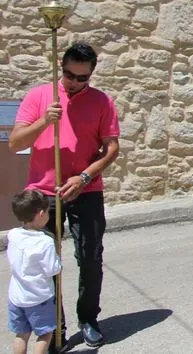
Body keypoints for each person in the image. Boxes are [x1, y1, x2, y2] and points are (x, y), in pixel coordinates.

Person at [9, 41, 120, 349]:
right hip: (42, 195)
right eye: (69, 75)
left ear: (91, 74)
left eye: (82, 78)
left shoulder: (102, 102)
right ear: (62, 68)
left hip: (86, 189)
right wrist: (45, 121)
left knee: (90, 258)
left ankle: (89, 319)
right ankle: (53, 327)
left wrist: (84, 176)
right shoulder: (39, 96)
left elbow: (112, 149)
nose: (74, 83)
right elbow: (15, 143)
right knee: (43, 263)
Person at [7, 190, 62, 354]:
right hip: (39, 298)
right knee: (45, 333)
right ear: (41, 214)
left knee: (21, 334)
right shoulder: (45, 242)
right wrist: (57, 257)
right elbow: (52, 269)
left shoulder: (13, 234)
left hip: (17, 297)